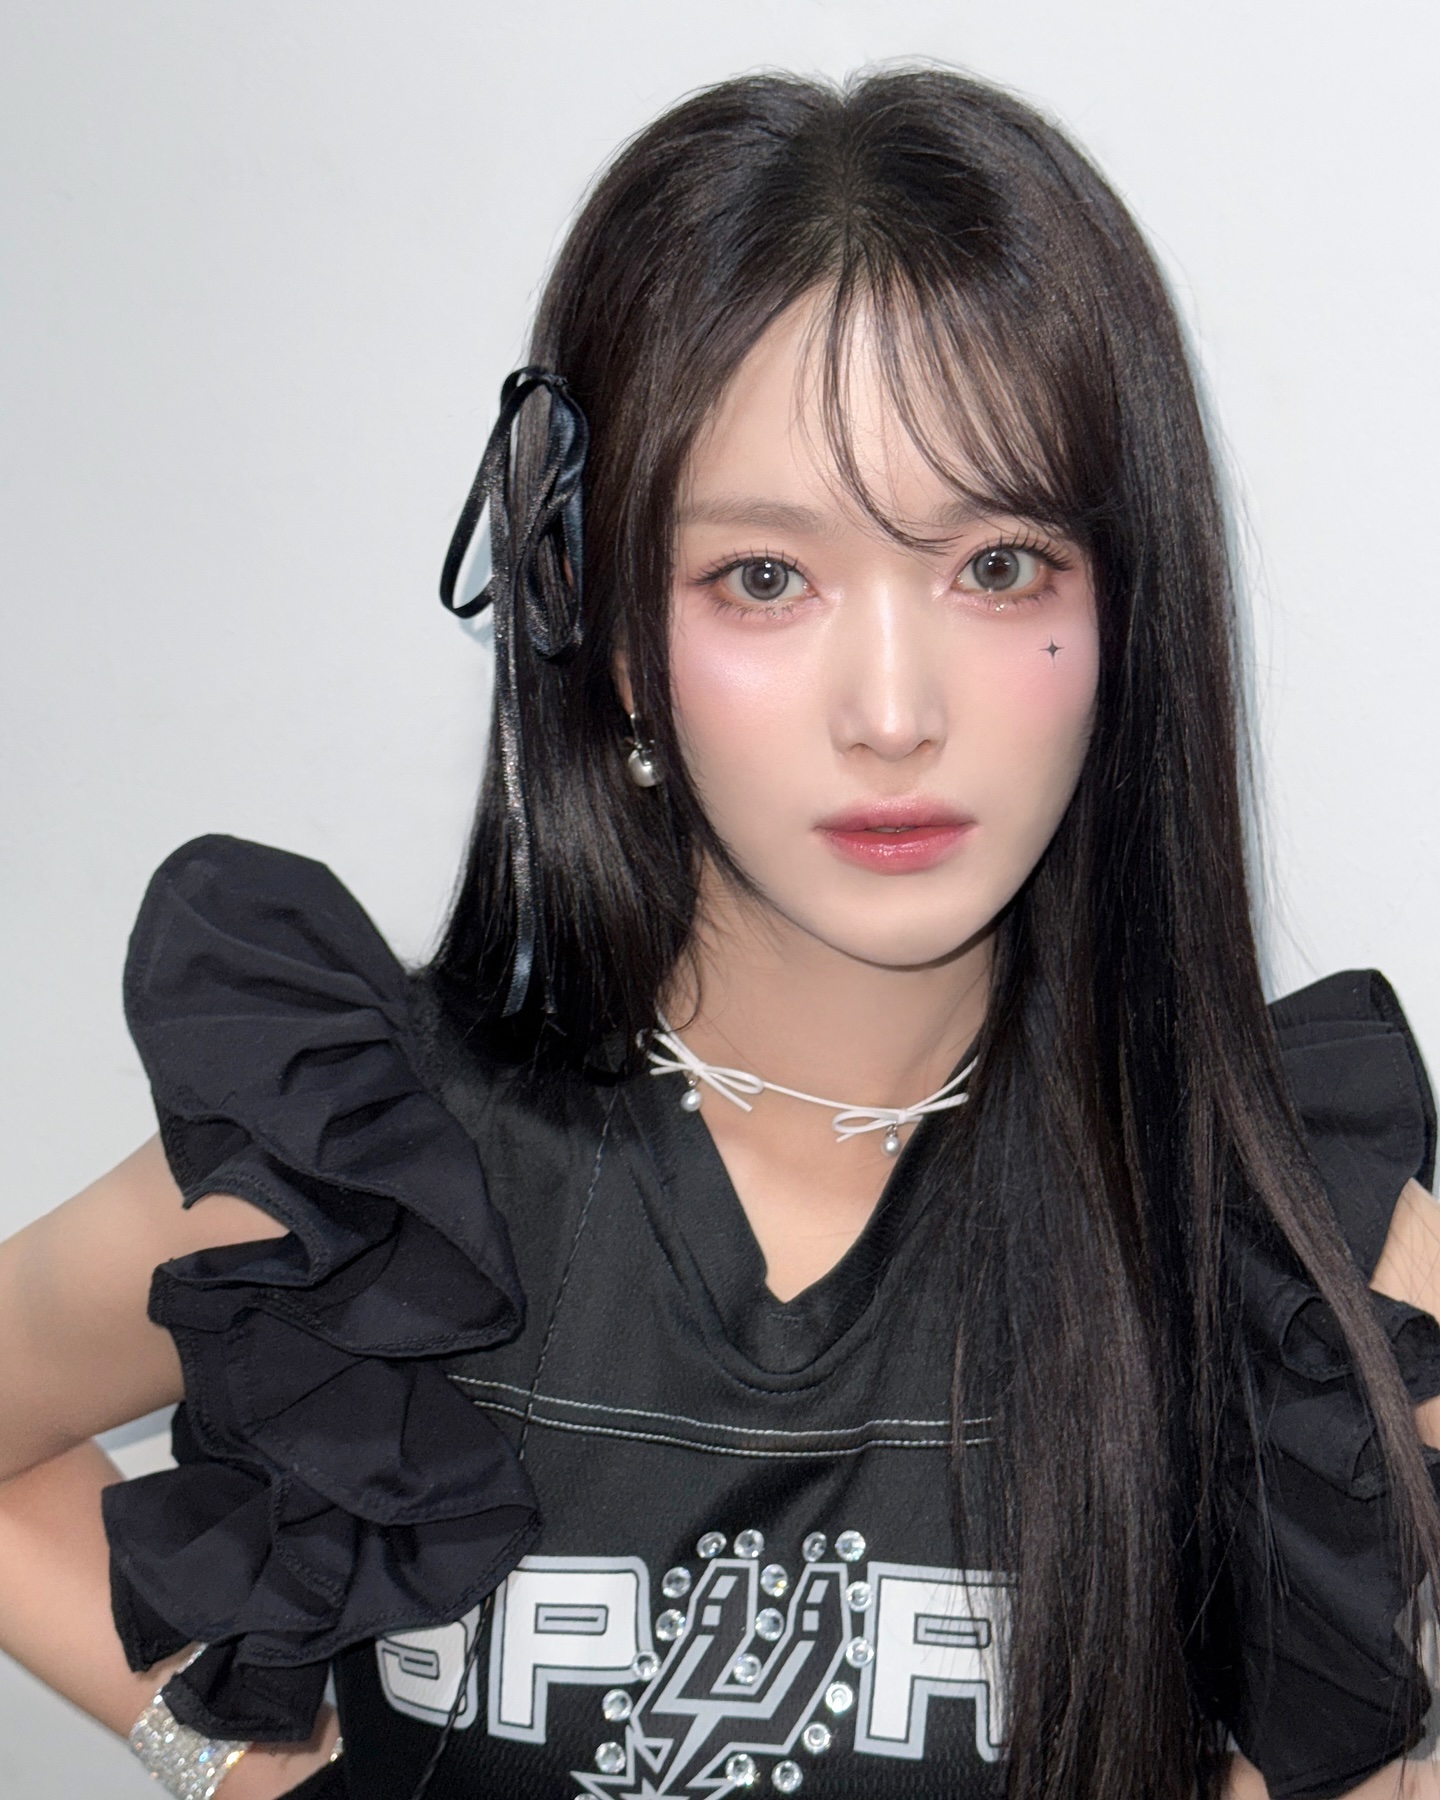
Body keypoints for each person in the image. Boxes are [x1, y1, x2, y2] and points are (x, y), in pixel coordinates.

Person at [3, 64, 1440, 1800]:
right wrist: (251, 1769)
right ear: (609, 627)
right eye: (765, 577)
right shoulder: (370, 1184)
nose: (894, 712)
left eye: (998, 566)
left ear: (1128, 610)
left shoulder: (1282, 1258)